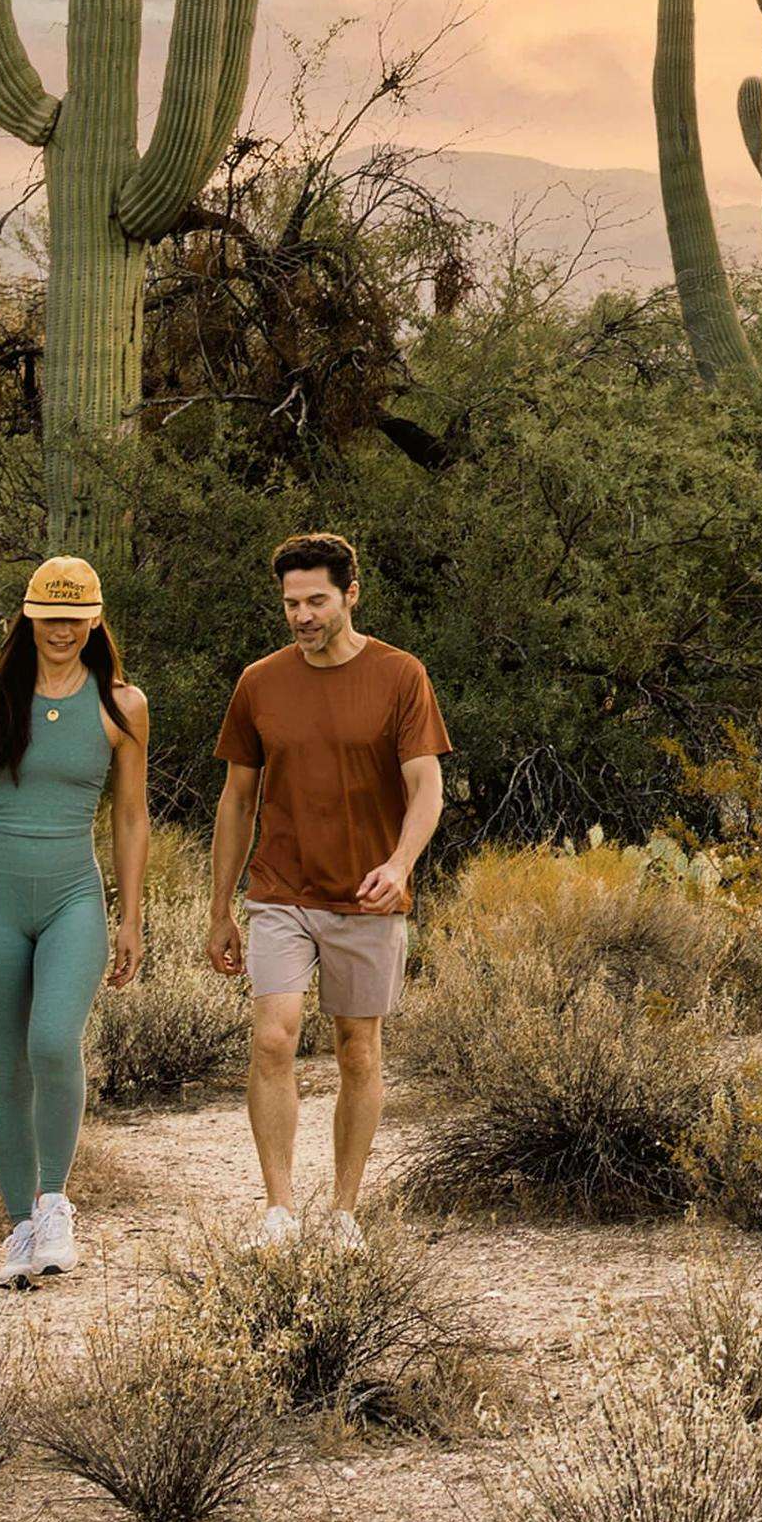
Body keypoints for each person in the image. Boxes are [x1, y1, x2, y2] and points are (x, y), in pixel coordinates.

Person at [206, 533, 451, 1250]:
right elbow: (236, 801)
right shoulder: (259, 682)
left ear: (351, 594)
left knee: (357, 1050)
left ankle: (344, 1212)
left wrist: (401, 864)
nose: (303, 616)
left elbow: (425, 786)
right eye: (291, 604)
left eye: (316, 600)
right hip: (281, 891)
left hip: (368, 896)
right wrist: (221, 908)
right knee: (273, 1038)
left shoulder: (401, 675)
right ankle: (279, 1212)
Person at [0, 556, 150, 1286]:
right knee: (6, 1069)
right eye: (49, 616)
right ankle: (21, 1227)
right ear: (27, 616)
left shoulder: (122, 706)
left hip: (72, 897)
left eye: (75, 616)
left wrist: (132, 917)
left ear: (95, 619)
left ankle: (55, 1204)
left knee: (53, 1041)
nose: (61, 630)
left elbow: (132, 817)